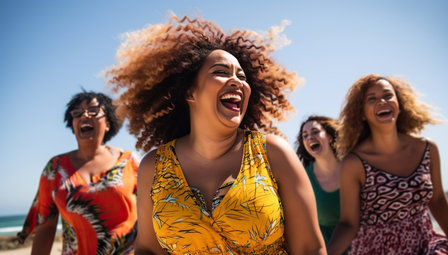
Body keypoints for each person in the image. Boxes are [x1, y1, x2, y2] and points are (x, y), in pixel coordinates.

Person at [107, 15, 326, 254]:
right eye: (221, 71)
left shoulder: (272, 153)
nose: (237, 81)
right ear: (190, 91)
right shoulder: (154, 166)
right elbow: (148, 249)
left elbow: (310, 248)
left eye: (242, 77)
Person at [327, 74, 448, 254]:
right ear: (361, 113)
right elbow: (348, 224)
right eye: (372, 99)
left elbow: (438, 200)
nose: (382, 101)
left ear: (399, 104)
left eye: (387, 95)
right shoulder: (354, 164)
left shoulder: (427, 149)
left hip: (424, 246)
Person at [17, 91, 140, 254]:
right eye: (77, 113)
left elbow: (153, 216)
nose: (84, 115)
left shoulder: (129, 161)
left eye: (93, 111)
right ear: (73, 124)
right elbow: (46, 226)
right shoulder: (54, 169)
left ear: (109, 123)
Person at [296, 115, 343, 246]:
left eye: (315, 132)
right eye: (305, 136)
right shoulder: (303, 179)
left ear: (329, 136)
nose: (310, 137)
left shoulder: (353, 166)